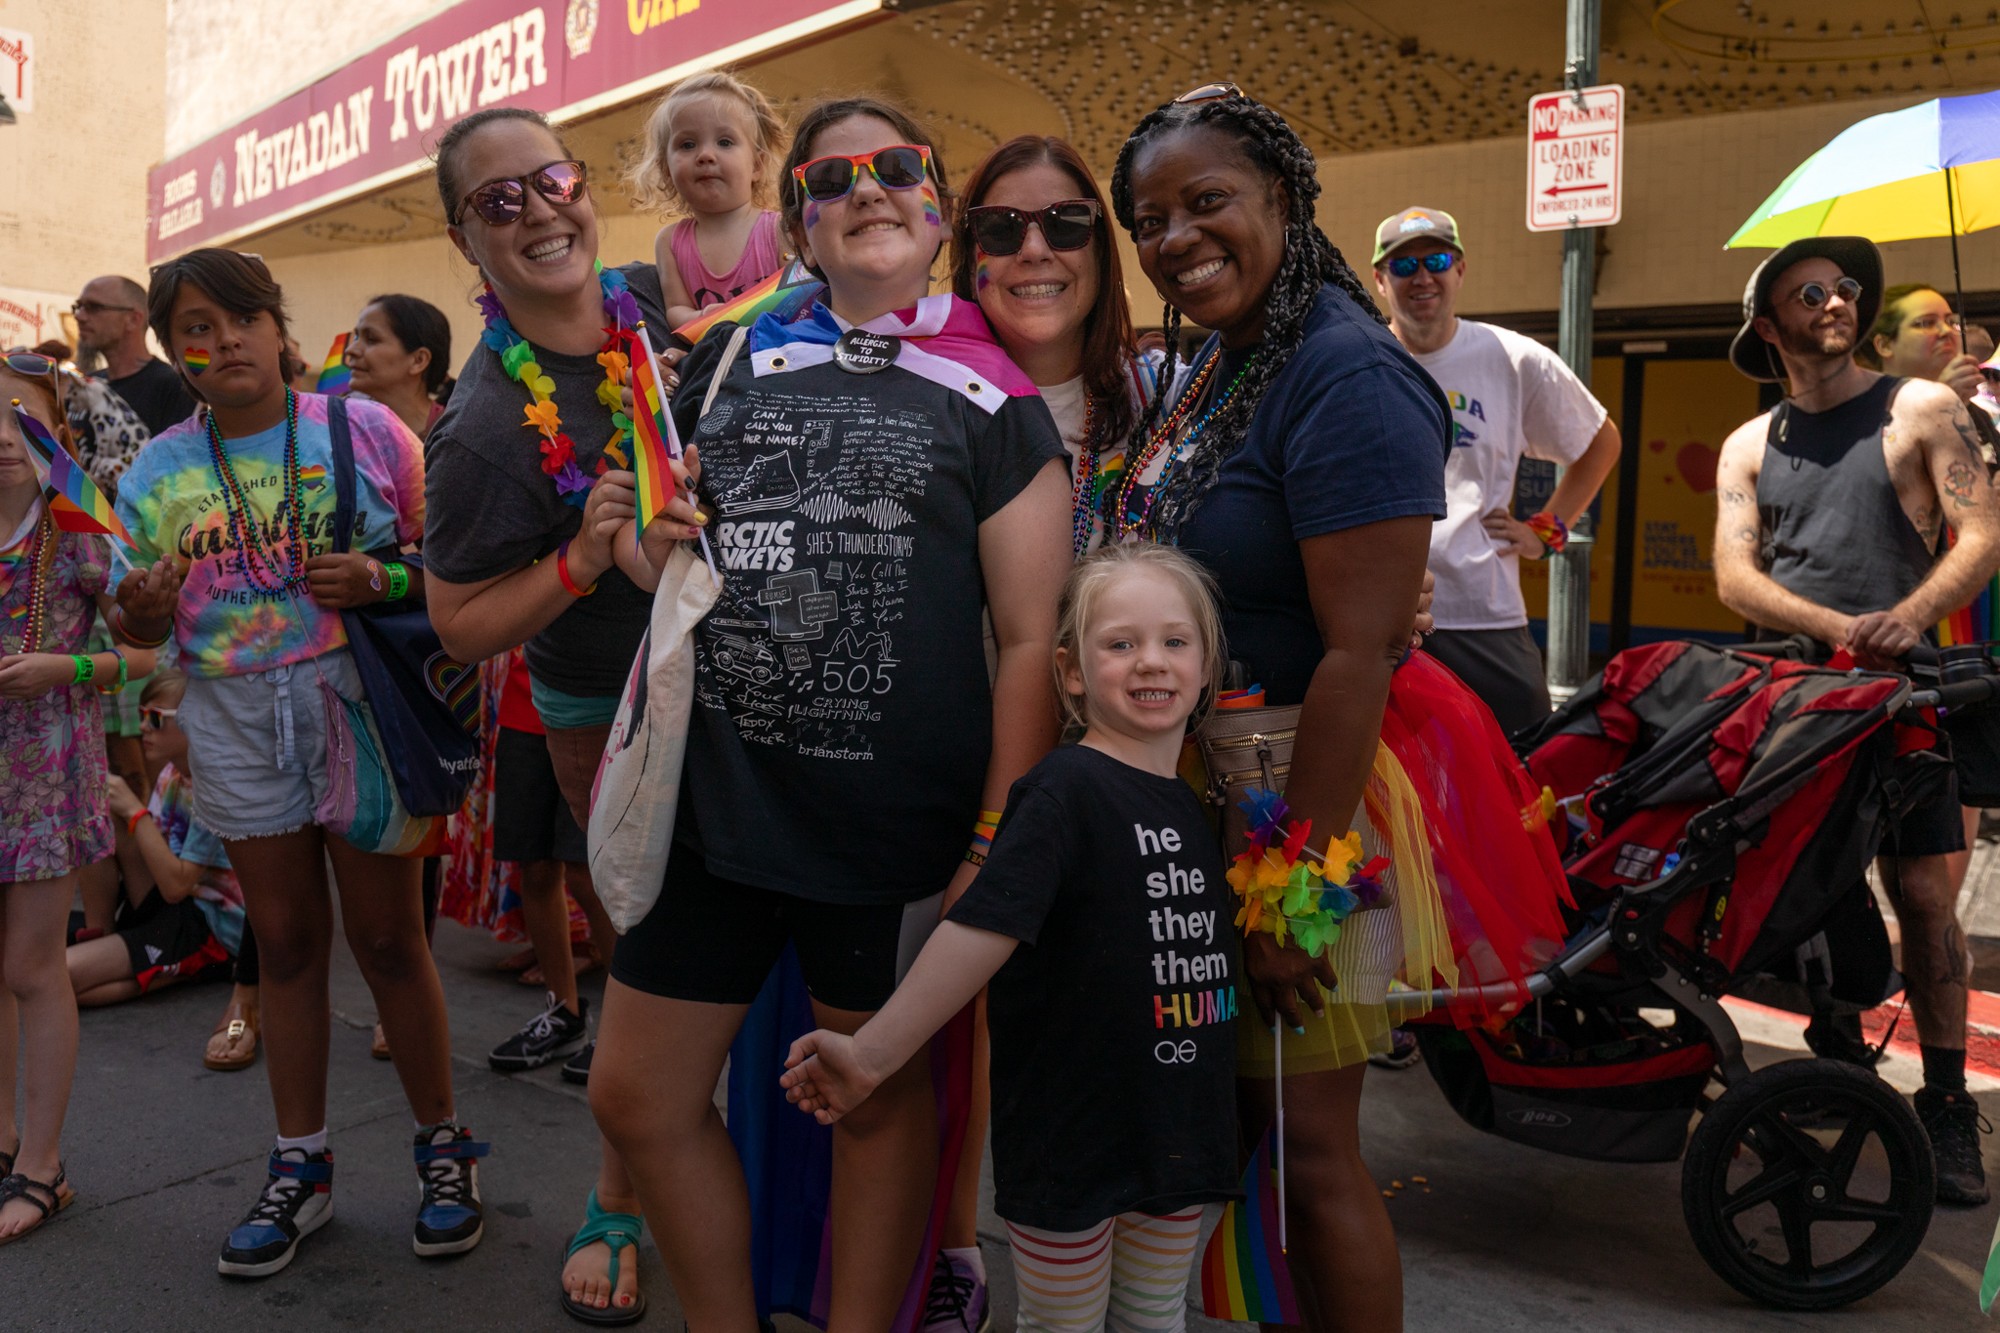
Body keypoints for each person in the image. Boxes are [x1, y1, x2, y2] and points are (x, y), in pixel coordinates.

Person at [589, 95, 1070, 1333]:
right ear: (796, 218)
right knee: (637, 1098)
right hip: (715, 806)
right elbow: (672, 562)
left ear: (937, 206)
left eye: (897, 168)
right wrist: (640, 538)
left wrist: (989, 841)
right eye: (832, 177)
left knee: (871, 1097)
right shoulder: (731, 358)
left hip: (890, 834)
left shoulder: (994, 396)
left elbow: (1028, 642)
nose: (869, 190)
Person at [1109, 86, 1579, 1332]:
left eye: (1206, 203)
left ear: (1283, 201)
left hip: (1299, 802)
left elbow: (1360, 654)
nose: (1174, 239)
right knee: (1247, 1136)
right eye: (1148, 219)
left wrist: (1288, 900)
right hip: (1212, 787)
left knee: (1305, 1145)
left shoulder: (1343, 366)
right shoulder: (1229, 356)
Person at [111, 247, 487, 1277]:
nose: (223, 340)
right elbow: (131, 613)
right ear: (174, 350)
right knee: (279, 942)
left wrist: (378, 574)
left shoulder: (363, 428)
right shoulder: (152, 474)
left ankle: (443, 1146)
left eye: (240, 318)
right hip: (232, 716)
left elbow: (442, 562)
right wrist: (139, 608)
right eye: (196, 326)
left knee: (387, 937)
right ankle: (301, 1164)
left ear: (278, 327)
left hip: (356, 704)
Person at [782, 542, 1236, 1333]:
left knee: (1157, 1314)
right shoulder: (1064, 791)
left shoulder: (1189, 805)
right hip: (1075, 1142)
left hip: (1177, 1136)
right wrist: (875, 1052)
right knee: (1062, 1324)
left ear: (1205, 666)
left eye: (1174, 640)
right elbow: (980, 930)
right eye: (1120, 643)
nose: (1150, 661)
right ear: (1070, 671)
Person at [419, 105, 672, 1320]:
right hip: (605, 704)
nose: (539, 210)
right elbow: (461, 623)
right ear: (465, 241)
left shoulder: (652, 307)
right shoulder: (477, 432)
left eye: (551, 178)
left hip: (732, 663)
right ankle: (616, 1197)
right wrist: (579, 557)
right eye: (498, 202)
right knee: (649, 950)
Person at [1714, 235, 2000, 1206]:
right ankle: (1836, 1058)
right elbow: (1732, 574)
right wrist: (1837, 628)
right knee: (1805, 885)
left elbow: (1980, 535)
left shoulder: (1921, 408)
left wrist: (1904, 622)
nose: (1833, 302)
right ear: (1768, 323)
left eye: (1842, 289)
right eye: (1809, 291)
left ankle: (1947, 1104)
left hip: (1906, 697)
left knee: (1923, 899)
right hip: (1792, 701)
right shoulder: (1747, 444)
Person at [0, 355, 157, 1242]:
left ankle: (42, 1165)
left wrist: (68, 667)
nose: (2, 436)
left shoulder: (81, 529)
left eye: (21, 417)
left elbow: (145, 655)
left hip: (43, 773)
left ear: (53, 429)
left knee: (31, 965)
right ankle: (2, 1143)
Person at [1369, 206, 1620, 738]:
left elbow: (1600, 443)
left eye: (1436, 260)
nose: (1421, 276)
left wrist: (1545, 534)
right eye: (1403, 265)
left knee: (1524, 770)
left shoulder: (1513, 358)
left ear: (1459, 271)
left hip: (1482, 613)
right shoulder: (1358, 358)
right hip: (1379, 616)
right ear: (1379, 280)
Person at [67, 669, 244, 1006]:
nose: (143, 727)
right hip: (171, 904)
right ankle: (102, 933)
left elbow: (177, 887)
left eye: (155, 718)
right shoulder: (172, 772)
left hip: (205, 925)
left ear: (197, 722)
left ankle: (193, 967)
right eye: (141, 715)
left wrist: (136, 811)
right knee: (99, 808)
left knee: (55, 979)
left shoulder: (217, 786)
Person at [484, 652, 598, 1074]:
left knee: (588, 870)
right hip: (524, 698)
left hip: (596, 702)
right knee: (534, 864)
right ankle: (563, 1012)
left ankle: (628, 1023)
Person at [629, 69, 789, 330]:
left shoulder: (778, 230)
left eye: (724, 142)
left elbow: (798, 299)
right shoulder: (670, 243)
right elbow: (677, 310)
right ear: (666, 172)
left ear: (756, 166)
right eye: (687, 145)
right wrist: (704, 316)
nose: (705, 155)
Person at [73, 275, 197, 437]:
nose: (79, 316)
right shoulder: (84, 386)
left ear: (133, 319)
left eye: (93, 307)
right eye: (78, 306)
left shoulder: (172, 387)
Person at [343, 294, 456, 441]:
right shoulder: (338, 424)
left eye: (371, 339)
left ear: (418, 361)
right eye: (357, 337)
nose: (350, 350)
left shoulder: (454, 438)